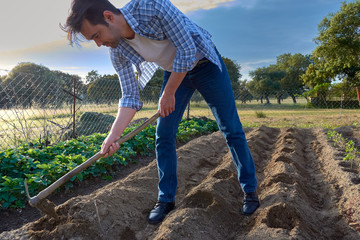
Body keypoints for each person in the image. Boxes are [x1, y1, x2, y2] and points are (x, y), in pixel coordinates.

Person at [62, 0, 259, 225]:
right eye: (93, 40)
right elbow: (130, 97)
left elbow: (187, 49)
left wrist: (169, 93)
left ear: (109, 16)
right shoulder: (117, 51)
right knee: (163, 135)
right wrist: (113, 135)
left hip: (204, 64)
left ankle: (250, 191)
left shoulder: (151, 6)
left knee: (230, 129)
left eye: (96, 35)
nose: (98, 43)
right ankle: (166, 199)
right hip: (173, 71)